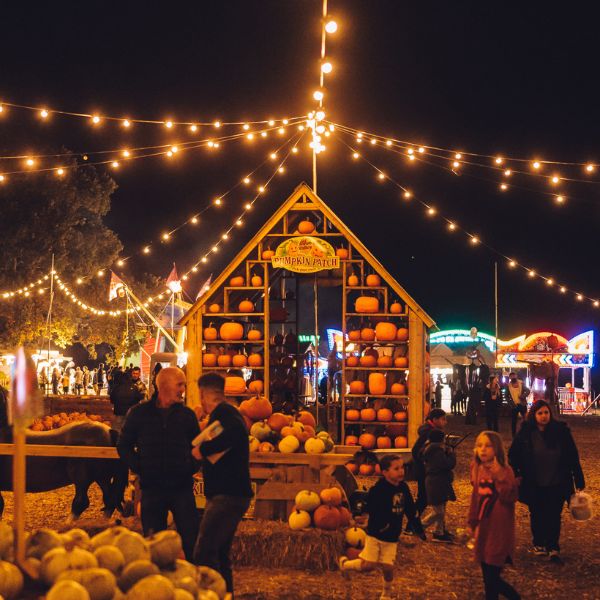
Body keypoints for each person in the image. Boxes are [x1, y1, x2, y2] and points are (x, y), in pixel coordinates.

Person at [117, 367, 200, 561]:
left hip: (182, 489)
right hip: (152, 489)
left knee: (191, 539)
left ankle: (193, 581)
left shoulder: (187, 416)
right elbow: (123, 445)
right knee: (154, 543)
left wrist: (190, 467)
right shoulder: (139, 414)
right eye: (180, 384)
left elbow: (198, 446)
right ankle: (158, 583)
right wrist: (139, 466)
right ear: (164, 385)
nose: (183, 389)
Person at [192, 373, 253, 597]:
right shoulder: (225, 414)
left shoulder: (225, 413)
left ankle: (210, 594)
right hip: (229, 493)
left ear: (204, 394)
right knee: (219, 552)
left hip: (227, 494)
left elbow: (236, 435)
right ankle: (226, 594)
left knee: (204, 551)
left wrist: (203, 450)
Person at [508, 399, 585, 564]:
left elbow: (572, 455)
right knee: (537, 513)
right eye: (540, 413)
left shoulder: (561, 432)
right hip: (534, 481)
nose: (544, 416)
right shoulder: (525, 434)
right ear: (534, 415)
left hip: (557, 481)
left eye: (546, 412)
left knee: (554, 514)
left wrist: (578, 478)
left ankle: (553, 546)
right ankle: (539, 542)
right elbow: (513, 456)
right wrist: (517, 473)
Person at [339, 455, 423, 600]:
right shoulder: (378, 489)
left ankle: (386, 594)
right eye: (396, 469)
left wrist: (417, 528)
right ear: (384, 472)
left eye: (402, 467)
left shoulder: (403, 487)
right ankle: (345, 564)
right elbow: (369, 506)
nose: (401, 471)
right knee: (369, 566)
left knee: (388, 567)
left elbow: (409, 508)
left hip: (392, 535)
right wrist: (362, 516)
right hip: (376, 533)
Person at [468, 431, 520, 600]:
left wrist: (499, 476)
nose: (482, 449)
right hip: (483, 527)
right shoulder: (477, 469)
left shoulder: (505, 471)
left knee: (492, 578)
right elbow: (475, 497)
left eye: (488, 446)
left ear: (497, 449)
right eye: (479, 445)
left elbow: (509, 497)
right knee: (487, 578)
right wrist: (472, 521)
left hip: (498, 530)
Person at [409, 408, 448, 525]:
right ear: (434, 420)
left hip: (425, 469)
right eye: (443, 419)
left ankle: (439, 530)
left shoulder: (429, 430)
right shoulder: (428, 433)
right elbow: (416, 450)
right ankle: (411, 525)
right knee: (423, 499)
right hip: (424, 470)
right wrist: (424, 462)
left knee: (424, 498)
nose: (445, 422)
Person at [420, 428, 456, 542]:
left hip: (439, 482)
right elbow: (447, 464)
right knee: (438, 511)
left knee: (442, 507)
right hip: (436, 483)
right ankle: (420, 526)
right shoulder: (436, 451)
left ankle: (439, 532)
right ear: (441, 439)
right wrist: (451, 455)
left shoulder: (432, 449)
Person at [110, 367, 148, 431]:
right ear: (131, 374)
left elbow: (144, 399)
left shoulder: (141, 385)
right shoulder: (129, 385)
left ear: (139, 374)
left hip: (130, 412)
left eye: (137, 373)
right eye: (134, 373)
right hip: (126, 412)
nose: (135, 375)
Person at [505, 372, 529, 437]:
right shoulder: (508, 386)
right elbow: (506, 396)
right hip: (514, 406)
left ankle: (526, 433)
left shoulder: (521, 383)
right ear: (510, 378)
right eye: (511, 376)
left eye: (514, 376)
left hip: (522, 404)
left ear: (516, 376)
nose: (513, 377)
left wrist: (523, 396)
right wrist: (511, 403)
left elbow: (528, 390)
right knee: (513, 421)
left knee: (525, 419)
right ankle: (514, 435)